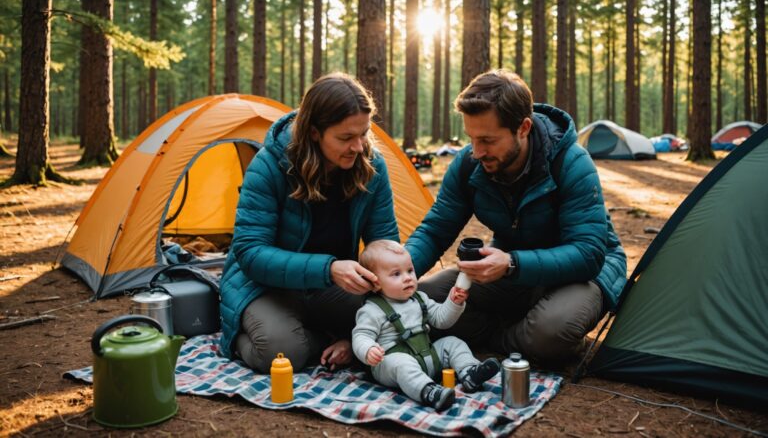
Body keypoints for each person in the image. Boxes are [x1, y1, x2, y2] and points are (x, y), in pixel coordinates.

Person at [405, 69, 627, 365]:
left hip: (581, 274)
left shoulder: (571, 162)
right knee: (422, 302)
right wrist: (400, 273)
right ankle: (521, 336)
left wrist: (511, 263)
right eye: (471, 138)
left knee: (552, 330)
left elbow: (588, 253)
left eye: (487, 140)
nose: (477, 152)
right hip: (513, 269)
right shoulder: (469, 164)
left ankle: (521, 337)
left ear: (523, 128)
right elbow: (435, 230)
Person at [218, 73, 400, 373]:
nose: (358, 147)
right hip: (265, 285)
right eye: (345, 138)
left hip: (332, 286)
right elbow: (250, 253)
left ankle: (344, 341)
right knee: (281, 353)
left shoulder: (371, 166)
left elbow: (385, 240)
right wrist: (328, 269)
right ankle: (251, 331)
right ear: (315, 132)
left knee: (396, 321)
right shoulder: (268, 166)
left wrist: (391, 280)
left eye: (363, 134)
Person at [352, 240, 500, 411]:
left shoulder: (419, 298)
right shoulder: (372, 310)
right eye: (396, 274)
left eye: (409, 270)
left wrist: (454, 302)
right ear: (375, 282)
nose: (407, 277)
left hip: (426, 357)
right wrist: (368, 350)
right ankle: (428, 391)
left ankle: (470, 372)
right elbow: (361, 335)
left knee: (452, 342)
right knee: (401, 363)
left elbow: (441, 320)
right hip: (389, 365)